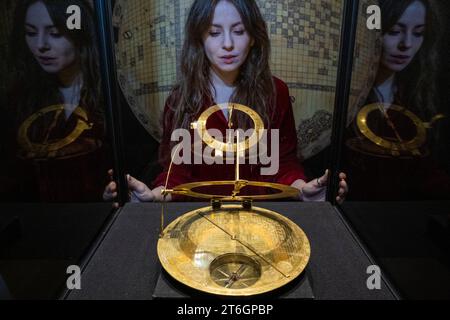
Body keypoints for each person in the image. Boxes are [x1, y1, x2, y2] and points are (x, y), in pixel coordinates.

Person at [104, 0, 348, 204]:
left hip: (259, 218)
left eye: (239, 31)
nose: (228, 43)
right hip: (200, 220)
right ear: (200, 39)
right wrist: (154, 196)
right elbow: (176, 172)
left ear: (253, 37)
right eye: (214, 32)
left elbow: (282, 162)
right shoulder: (180, 100)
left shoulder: (275, 92)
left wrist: (302, 189)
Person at [1, 0, 109, 202]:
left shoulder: (110, 94)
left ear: (80, 34)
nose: (40, 45)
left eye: (55, 33)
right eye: (31, 33)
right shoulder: (20, 100)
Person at [344, 0, 450, 200]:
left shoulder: (420, 97)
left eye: (418, 33)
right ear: (370, 32)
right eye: (393, 31)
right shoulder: (345, 96)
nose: (406, 44)